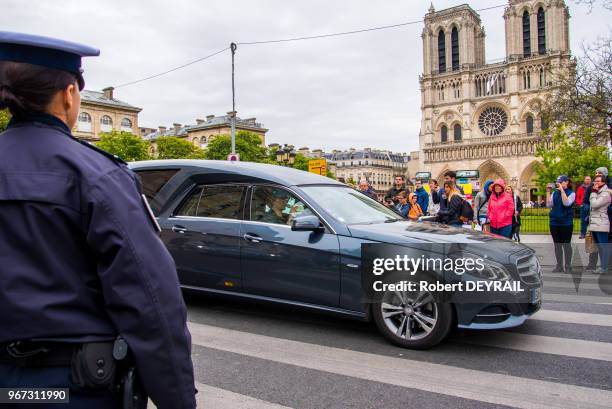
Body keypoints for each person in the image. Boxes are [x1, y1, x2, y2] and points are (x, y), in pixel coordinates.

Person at [0, 32, 196, 408]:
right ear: (69, 95)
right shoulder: (98, 176)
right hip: (70, 386)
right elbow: (149, 299)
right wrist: (178, 400)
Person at [547, 175, 576, 273]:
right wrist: (548, 192)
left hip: (566, 223)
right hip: (554, 222)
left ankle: (568, 266)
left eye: (560, 182)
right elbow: (549, 205)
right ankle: (559, 265)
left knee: (566, 245)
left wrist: (562, 191)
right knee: (557, 245)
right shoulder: (555, 193)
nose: (558, 184)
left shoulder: (571, 193)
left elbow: (566, 203)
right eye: (557, 182)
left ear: (566, 182)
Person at [588, 175, 611, 274]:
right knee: (599, 247)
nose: (595, 183)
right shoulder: (597, 192)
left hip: (601, 224)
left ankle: (604, 267)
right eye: (595, 181)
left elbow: (595, 205)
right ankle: (603, 266)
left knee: (603, 246)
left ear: (603, 183)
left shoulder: (605, 194)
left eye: (598, 181)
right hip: (595, 223)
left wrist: (593, 193)